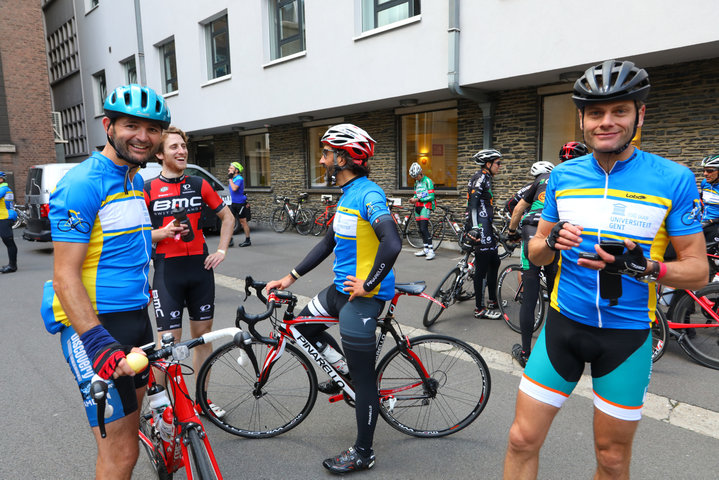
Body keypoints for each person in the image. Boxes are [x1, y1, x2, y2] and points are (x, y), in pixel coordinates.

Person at [503, 60, 707, 480]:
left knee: (611, 460)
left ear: (640, 115)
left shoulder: (674, 179)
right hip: (563, 327)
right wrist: (550, 238)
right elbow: (539, 254)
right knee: (522, 439)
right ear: (582, 119)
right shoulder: (562, 176)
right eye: (595, 113)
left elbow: (698, 271)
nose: (606, 122)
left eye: (619, 111)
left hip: (626, 337)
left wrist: (646, 267)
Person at [42, 84, 172, 480]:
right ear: (108, 127)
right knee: (120, 455)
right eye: (132, 125)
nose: (143, 137)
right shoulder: (83, 183)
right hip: (96, 327)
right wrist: (98, 343)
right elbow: (64, 276)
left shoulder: (133, 180)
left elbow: (123, 244)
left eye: (152, 129)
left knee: (131, 432)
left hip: (134, 318)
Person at [265, 123, 401, 474]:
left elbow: (393, 243)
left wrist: (369, 285)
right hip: (338, 292)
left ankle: (363, 452)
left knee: (364, 381)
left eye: (326, 153)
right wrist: (289, 277)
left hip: (362, 299)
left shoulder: (370, 195)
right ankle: (346, 372)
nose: (322, 160)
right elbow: (327, 244)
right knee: (302, 328)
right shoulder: (348, 195)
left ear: (344, 158)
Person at [144, 126, 234, 415]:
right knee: (167, 343)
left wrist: (221, 250)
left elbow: (228, 217)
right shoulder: (147, 189)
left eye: (183, 146)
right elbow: (138, 235)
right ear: (159, 154)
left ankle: (203, 401)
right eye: (174, 147)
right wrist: (164, 232)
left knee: (202, 336)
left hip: (199, 268)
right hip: (167, 270)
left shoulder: (198, 184)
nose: (181, 151)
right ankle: (161, 408)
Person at [506, 160, 556, 367]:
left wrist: (511, 233)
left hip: (531, 232)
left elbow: (517, 210)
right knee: (556, 294)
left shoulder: (535, 184)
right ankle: (556, 351)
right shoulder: (560, 179)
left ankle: (526, 353)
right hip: (553, 232)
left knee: (530, 295)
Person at [466, 148, 503, 319]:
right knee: (481, 267)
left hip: (486, 225)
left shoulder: (486, 178)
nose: (499, 166)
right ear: (488, 164)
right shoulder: (480, 178)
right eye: (497, 163)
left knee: (494, 262)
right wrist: (475, 228)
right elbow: (473, 205)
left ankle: (493, 300)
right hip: (480, 227)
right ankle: (479, 308)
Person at [409, 161, 436, 260]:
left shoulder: (427, 181)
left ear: (421, 173)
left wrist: (418, 199)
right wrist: (413, 199)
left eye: (416, 176)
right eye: (414, 177)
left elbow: (431, 196)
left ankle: (431, 251)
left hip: (425, 206)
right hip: (417, 207)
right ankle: (425, 249)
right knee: (420, 229)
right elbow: (416, 194)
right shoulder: (417, 182)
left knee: (424, 228)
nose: (416, 179)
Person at [228, 161, 251, 247]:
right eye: (229, 168)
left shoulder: (239, 179)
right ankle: (230, 240)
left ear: (236, 170)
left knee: (243, 222)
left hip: (240, 204)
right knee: (230, 221)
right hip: (233, 203)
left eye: (231, 168)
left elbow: (234, 189)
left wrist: (230, 179)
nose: (229, 169)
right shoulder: (233, 179)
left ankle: (248, 240)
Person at [0, 171, 18, 273]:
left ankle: (12, 266)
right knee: (7, 241)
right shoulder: (5, 188)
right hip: (4, 217)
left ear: (1, 179)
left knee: (8, 241)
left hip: (5, 217)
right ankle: (12, 265)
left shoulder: (3, 189)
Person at [699, 154, 719, 244]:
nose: (705, 174)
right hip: (703, 223)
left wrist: (711, 221)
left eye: (710, 170)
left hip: (715, 225)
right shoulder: (705, 183)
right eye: (704, 170)